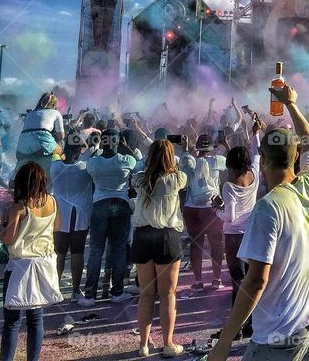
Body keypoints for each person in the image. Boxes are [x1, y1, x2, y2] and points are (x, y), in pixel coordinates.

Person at [208, 83, 309, 361]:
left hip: (280, 334)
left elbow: (255, 282)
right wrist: (291, 104)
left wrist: (224, 343)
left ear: (262, 161)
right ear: (295, 157)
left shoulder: (268, 208)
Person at [0, 162, 62, 361]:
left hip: (20, 266)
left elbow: (10, 239)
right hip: (45, 263)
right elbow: (57, 227)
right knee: (36, 318)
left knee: (12, 321)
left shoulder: (19, 206)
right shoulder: (52, 201)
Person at [131, 139, 188, 357]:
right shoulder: (177, 178)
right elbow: (183, 167)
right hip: (167, 236)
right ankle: (168, 343)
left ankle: (144, 344)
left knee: (146, 293)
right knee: (168, 294)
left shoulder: (139, 179)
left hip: (143, 236)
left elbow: (138, 171)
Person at [81, 127, 136, 306]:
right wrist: (125, 147)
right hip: (121, 204)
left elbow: (86, 164)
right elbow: (141, 162)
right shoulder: (127, 160)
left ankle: (90, 295)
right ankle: (117, 292)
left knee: (96, 250)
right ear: (119, 141)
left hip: (100, 206)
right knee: (119, 248)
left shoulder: (94, 163)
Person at [215, 133, 260, 340]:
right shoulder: (254, 175)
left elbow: (230, 218)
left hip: (233, 237)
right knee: (251, 279)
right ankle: (252, 323)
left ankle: (236, 327)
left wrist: (217, 210)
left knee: (238, 281)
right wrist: (255, 134)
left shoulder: (229, 186)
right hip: (251, 234)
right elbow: (257, 154)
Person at [180, 133, 227, 292]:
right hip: (212, 208)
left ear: (197, 148)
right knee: (216, 244)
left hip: (192, 209)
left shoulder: (189, 161)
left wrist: (186, 150)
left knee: (196, 245)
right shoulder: (217, 160)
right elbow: (231, 160)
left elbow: (183, 174)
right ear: (211, 147)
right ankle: (216, 279)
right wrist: (225, 144)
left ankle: (198, 281)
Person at [51, 134, 92, 301]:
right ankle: (75, 290)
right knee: (77, 251)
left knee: (59, 252)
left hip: (59, 213)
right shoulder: (85, 167)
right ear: (79, 150)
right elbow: (87, 149)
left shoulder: (54, 167)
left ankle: (55, 290)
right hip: (80, 213)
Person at [15, 93, 63, 176]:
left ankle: (14, 176)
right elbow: (61, 136)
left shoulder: (30, 114)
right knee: (61, 151)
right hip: (42, 140)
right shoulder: (56, 112)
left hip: (22, 144)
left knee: (24, 159)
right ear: (54, 104)